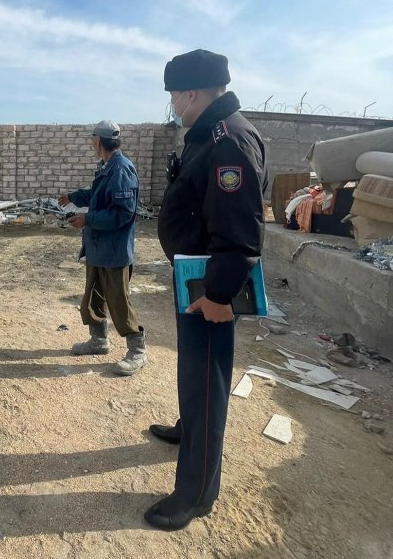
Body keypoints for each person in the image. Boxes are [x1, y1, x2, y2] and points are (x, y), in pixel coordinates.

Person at [144, 49, 268, 531]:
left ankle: (195, 494)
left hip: (210, 285)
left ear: (192, 93)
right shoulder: (210, 133)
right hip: (194, 277)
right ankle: (188, 428)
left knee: (207, 382)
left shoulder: (229, 140)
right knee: (193, 374)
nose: (173, 105)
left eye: (175, 96)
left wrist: (218, 296)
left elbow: (240, 232)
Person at [58, 120, 146, 376]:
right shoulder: (107, 167)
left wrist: (88, 219)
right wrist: (73, 197)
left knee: (119, 301)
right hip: (98, 248)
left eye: (92, 139)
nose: (91, 143)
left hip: (114, 251)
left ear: (98, 141)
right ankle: (99, 341)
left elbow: (124, 213)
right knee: (94, 296)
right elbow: (97, 195)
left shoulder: (122, 169)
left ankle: (137, 351)